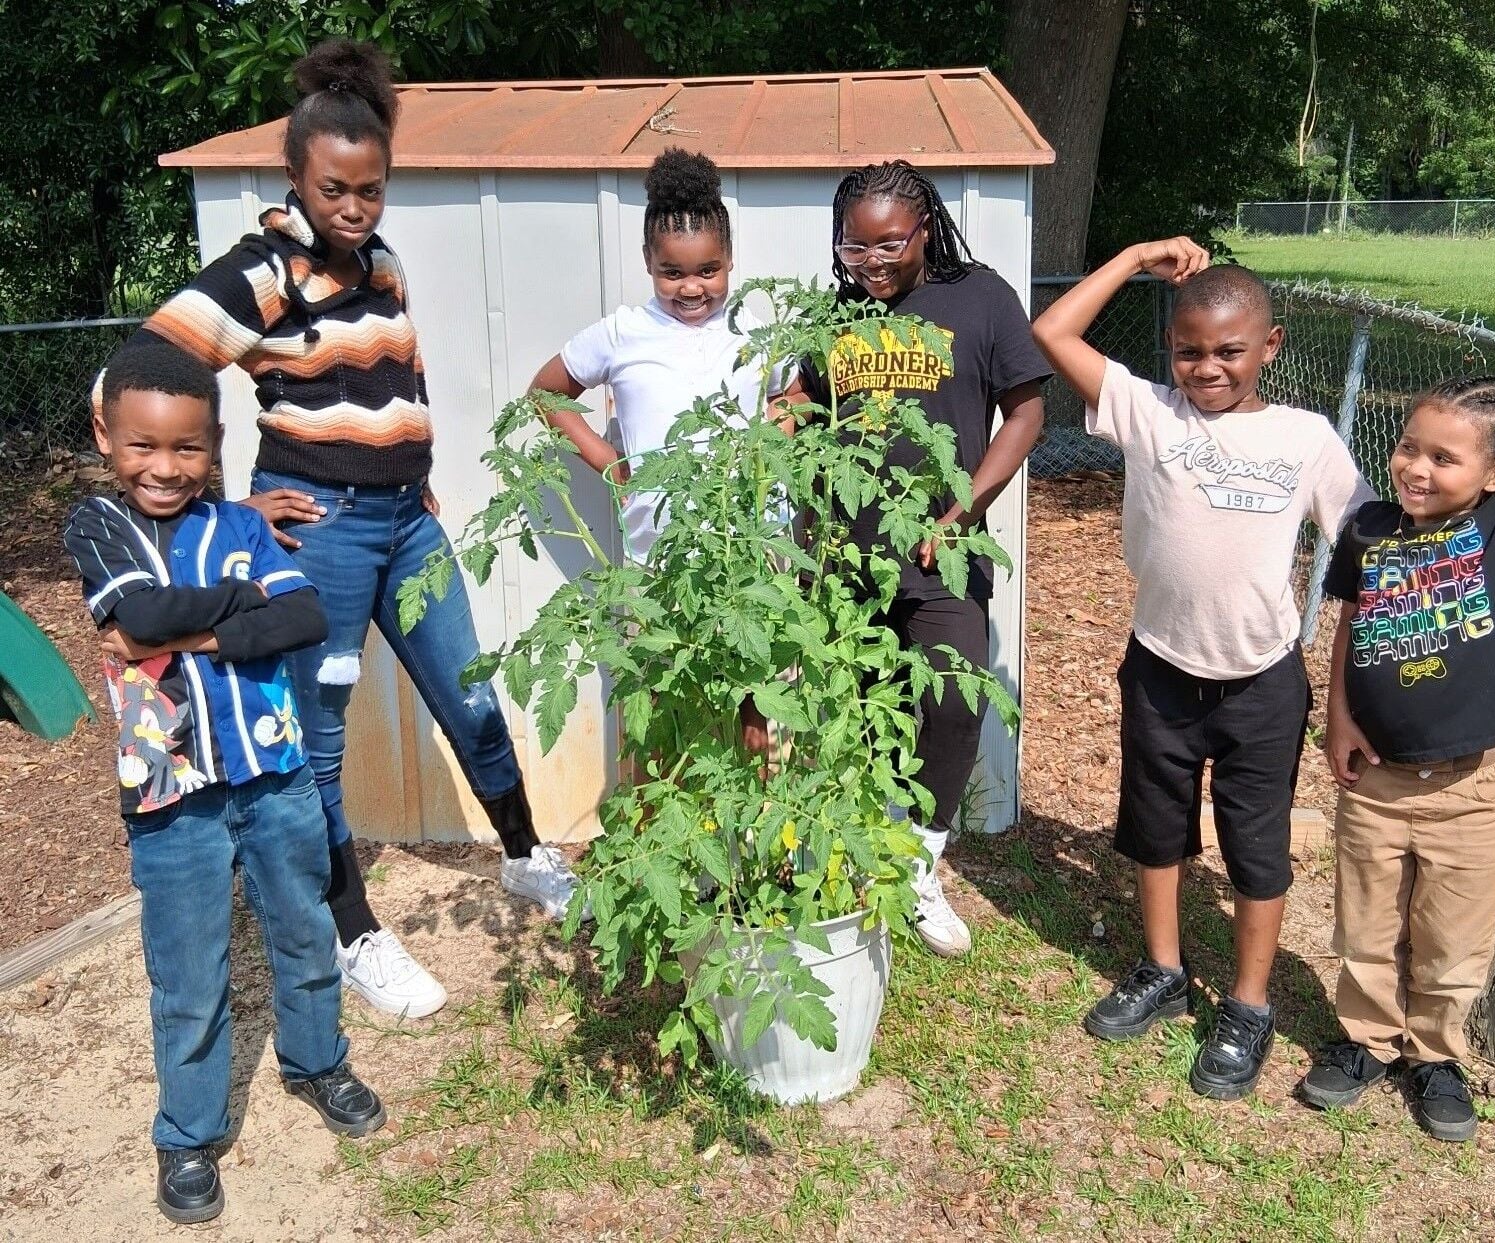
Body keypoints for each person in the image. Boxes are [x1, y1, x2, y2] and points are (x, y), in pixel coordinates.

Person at [116, 40, 583, 1020]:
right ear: (296, 178)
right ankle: (354, 929)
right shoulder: (264, 270)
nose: (353, 209)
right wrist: (217, 506)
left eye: (370, 191)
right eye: (334, 190)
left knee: (472, 693)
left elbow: (398, 376)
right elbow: (144, 368)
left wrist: (412, 466)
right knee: (315, 745)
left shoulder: (383, 262)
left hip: (407, 528)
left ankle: (527, 855)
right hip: (316, 539)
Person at [1032, 239, 1374, 1100]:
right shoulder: (1149, 412)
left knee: (1257, 846)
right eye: (1189, 350)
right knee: (1157, 826)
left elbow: (1369, 545)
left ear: (1272, 345)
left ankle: (1250, 1004)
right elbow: (1053, 329)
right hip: (1160, 667)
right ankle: (1163, 969)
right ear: (1169, 350)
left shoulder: (1306, 437)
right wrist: (1137, 259)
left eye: (1229, 350)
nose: (1207, 367)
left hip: (1262, 679)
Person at [65, 343, 385, 1226]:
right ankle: (187, 1132)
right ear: (106, 436)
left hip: (274, 772)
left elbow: (306, 616)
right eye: (143, 447)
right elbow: (139, 613)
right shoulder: (97, 526)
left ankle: (317, 1061)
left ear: (214, 446)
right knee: (188, 970)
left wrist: (198, 636)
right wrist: (240, 608)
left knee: (306, 928)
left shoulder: (241, 525)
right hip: (169, 791)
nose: (165, 468)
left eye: (187, 450)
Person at [784, 160, 1052, 958]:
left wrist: (964, 505)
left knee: (954, 705)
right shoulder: (838, 312)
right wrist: (786, 418)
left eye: (888, 246)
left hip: (946, 552)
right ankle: (861, 861)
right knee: (860, 715)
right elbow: (810, 401)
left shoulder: (983, 298)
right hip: (847, 557)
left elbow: (1027, 413)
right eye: (854, 248)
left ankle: (920, 865)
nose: (869, 264)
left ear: (925, 228)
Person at [1300, 378, 1495, 1141]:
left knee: (1453, 937)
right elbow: (1348, 626)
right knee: (1366, 923)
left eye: (1443, 456)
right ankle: (1367, 1039)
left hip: (1474, 786)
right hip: (1376, 781)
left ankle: (1435, 1055)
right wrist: (1338, 718)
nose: (1416, 467)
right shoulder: (1368, 528)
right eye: (1408, 445)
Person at [526, 146, 788, 562]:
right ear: (648, 260)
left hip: (753, 546)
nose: (691, 288)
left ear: (730, 259)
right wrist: (609, 462)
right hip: (658, 560)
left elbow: (795, 394)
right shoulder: (623, 333)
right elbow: (544, 394)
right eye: (672, 273)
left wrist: (772, 442)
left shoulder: (752, 330)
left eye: (708, 270)